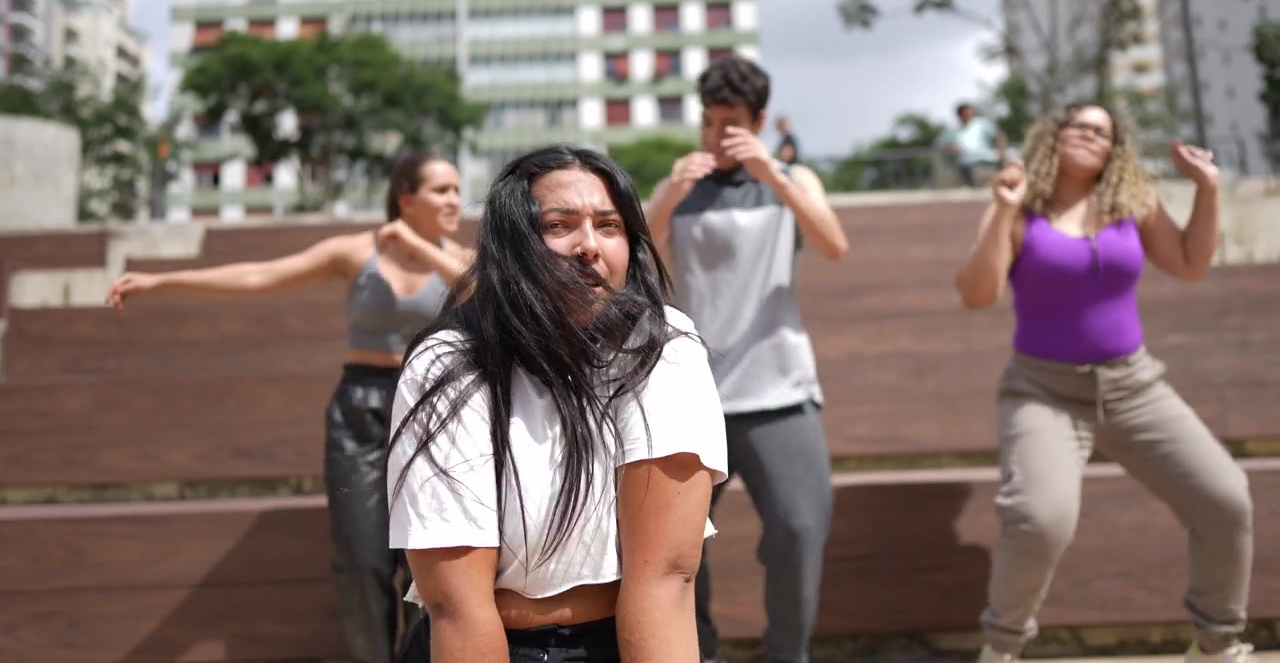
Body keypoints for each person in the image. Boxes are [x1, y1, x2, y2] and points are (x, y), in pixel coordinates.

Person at [105, 153, 473, 663]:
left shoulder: (459, 258)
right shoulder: (354, 252)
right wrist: (162, 281)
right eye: (441, 190)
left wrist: (416, 246)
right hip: (361, 410)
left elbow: (481, 287)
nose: (455, 200)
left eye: (456, 190)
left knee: (427, 563)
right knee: (360, 561)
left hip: (433, 412)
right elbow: (262, 275)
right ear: (407, 199)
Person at [388, 144, 728, 663]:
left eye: (609, 225)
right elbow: (457, 607)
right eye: (558, 225)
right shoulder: (450, 364)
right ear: (512, 245)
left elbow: (666, 578)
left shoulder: (663, 346)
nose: (588, 245)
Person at [954, 103, 1255, 663]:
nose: (1090, 135)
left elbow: (1189, 263)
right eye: (1080, 126)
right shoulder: (1019, 206)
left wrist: (1208, 188)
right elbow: (976, 294)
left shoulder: (1132, 204)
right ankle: (1001, 650)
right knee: (1040, 519)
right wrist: (1002, 211)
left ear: (1114, 150)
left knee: (1225, 500)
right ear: (1055, 134)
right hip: (1043, 392)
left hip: (1134, 387)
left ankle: (1215, 646)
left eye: (1103, 132)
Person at [645, 54, 850, 663]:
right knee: (676, 544)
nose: (715, 137)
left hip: (778, 391)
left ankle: (787, 654)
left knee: (799, 528)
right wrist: (670, 195)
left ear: (759, 121)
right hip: (692, 397)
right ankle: (698, 652)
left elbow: (834, 245)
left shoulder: (793, 180)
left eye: (729, 124)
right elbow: (636, 260)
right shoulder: (680, 186)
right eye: (707, 123)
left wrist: (775, 175)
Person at [939, 102, 1007, 187]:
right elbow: (940, 145)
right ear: (960, 115)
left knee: (1007, 160)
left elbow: (1000, 135)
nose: (970, 115)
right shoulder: (952, 130)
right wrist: (950, 147)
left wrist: (1001, 150)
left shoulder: (982, 123)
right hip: (967, 162)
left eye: (971, 113)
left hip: (988, 157)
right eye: (967, 113)